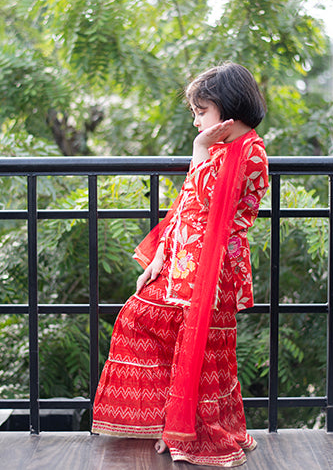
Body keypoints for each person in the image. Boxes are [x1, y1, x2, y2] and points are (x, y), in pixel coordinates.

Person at [92, 61, 269, 467]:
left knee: (201, 347)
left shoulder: (250, 154)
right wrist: (158, 255)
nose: (196, 123)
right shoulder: (222, 149)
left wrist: (200, 151)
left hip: (213, 269)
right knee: (142, 320)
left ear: (228, 107)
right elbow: (188, 206)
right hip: (184, 262)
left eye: (201, 112)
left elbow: (209, 207)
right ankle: (172, 422)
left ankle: (184, 430)